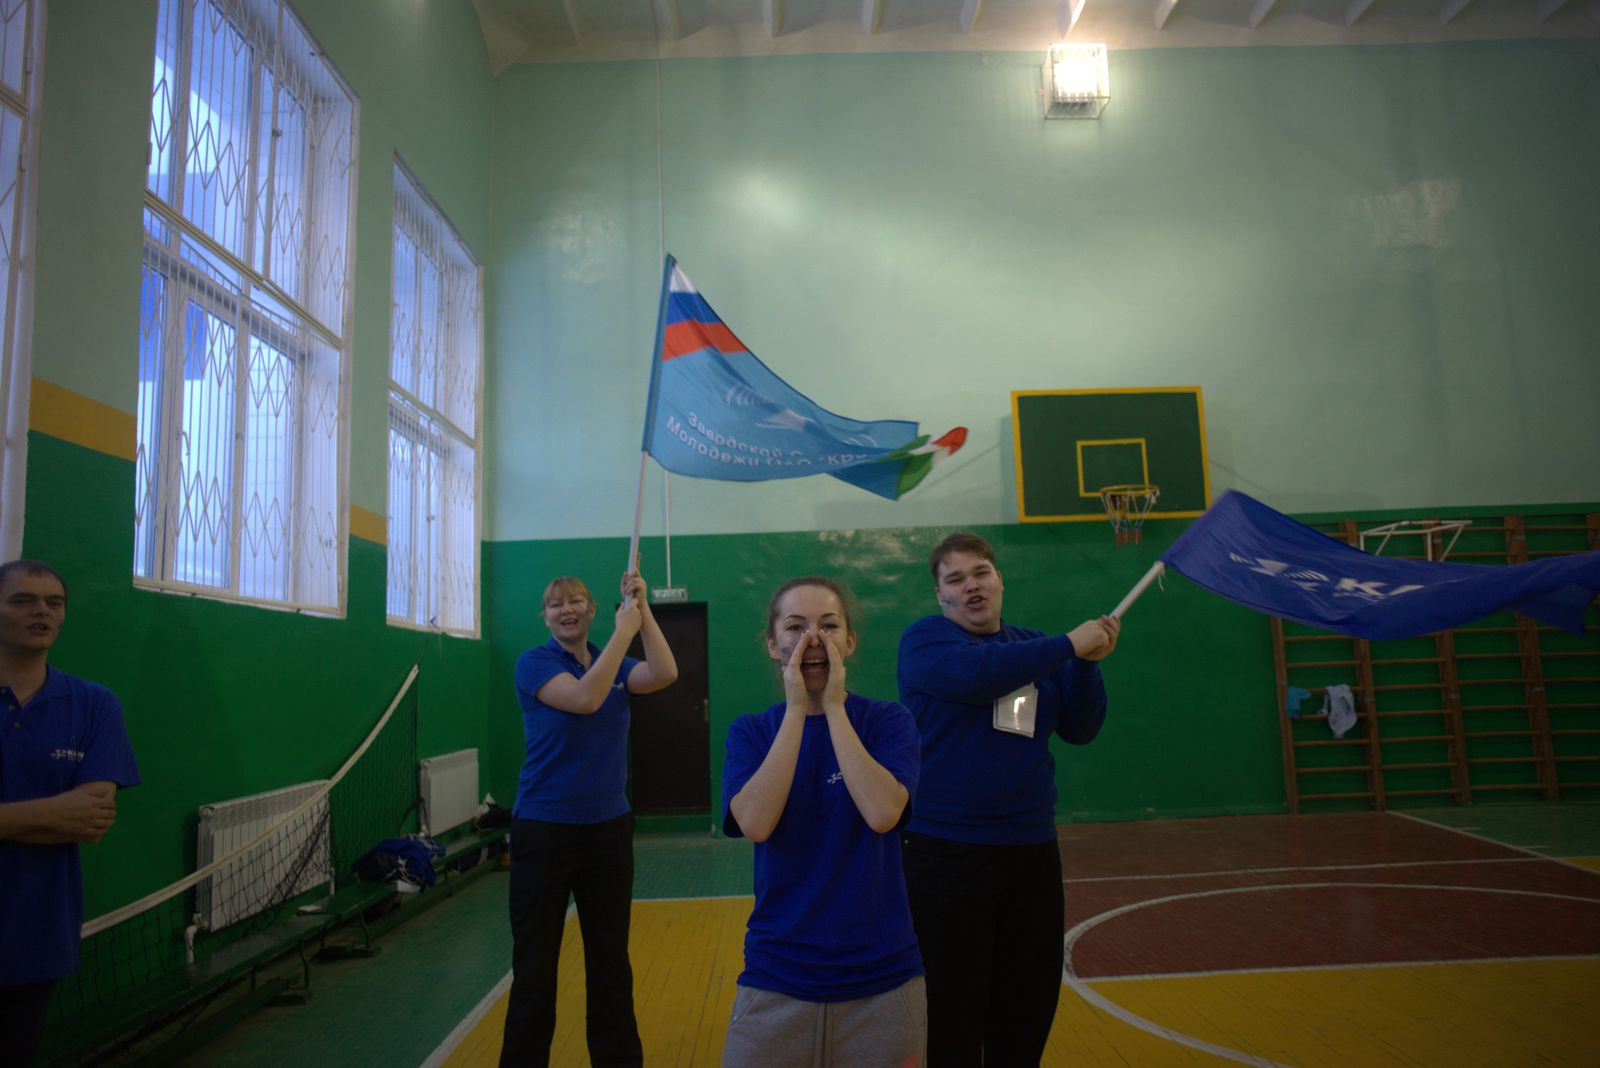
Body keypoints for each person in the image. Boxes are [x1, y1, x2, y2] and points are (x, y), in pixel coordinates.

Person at [897, 533, 1118, 1067]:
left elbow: (1081, 729)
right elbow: (979, 676)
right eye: (955, 580)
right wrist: (1070, 644)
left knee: (1026, 1002)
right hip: (944, 855)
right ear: (940, 596)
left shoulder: (1034, 647)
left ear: (999, 580)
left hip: (1030, 852)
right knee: (951, 1007)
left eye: (981, 573)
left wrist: (1087, 664)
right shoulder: (926, 641)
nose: (971, 586)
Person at [721, 577, 925, 1068]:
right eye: (795, 627)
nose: (812, 639)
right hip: (776, 979)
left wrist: (833, 708)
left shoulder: (888, 722)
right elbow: (756, 823)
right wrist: (797, 711)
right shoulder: (752, 732)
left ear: (849, 642)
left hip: (883, 983)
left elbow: (883, 813)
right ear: (773, 644)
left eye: (828, 626)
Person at [500, 570, 678, 1068]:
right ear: (544, 616)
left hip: (608, 832)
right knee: (535, 967)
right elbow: (585, 699)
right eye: (556, 604)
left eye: (576, 601)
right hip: (544, 832)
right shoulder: (534, 663)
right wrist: (623, 634)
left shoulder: (612, 661)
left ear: (592, 609)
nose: (567, 610)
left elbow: (664, 672)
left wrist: (642, 611)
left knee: (610, 962)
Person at [0, 560, 141, 1067]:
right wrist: (52, 814)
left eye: (53, 603)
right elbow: (66, 816)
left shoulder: (95, 705)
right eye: (22, 601)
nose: (41, 611)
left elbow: (89, 820)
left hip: (37, 932)